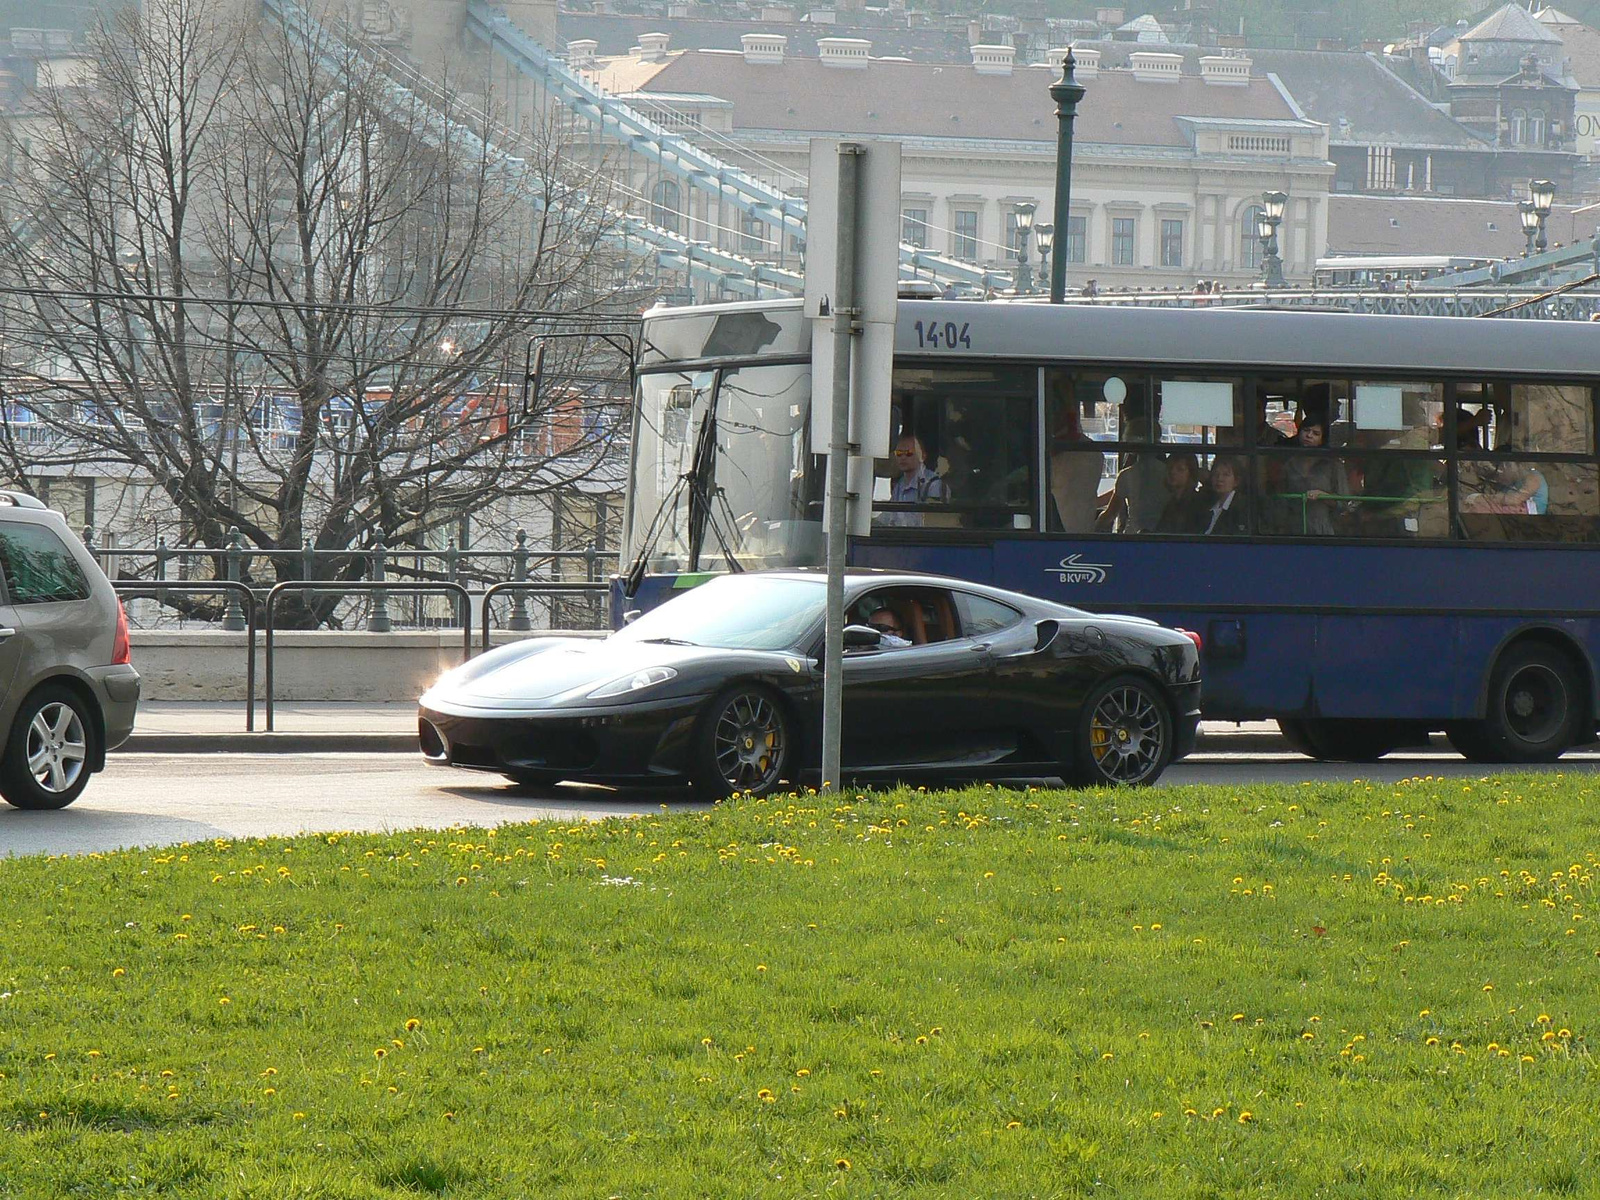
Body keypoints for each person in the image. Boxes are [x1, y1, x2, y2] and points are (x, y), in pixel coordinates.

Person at [1282, 416, 1343, 536]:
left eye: (1315, 433)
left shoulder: (1333, 465)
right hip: (1291, 529)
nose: (1309, 436)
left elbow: (1343, 504)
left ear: (1322, 439)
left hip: (1322, 529)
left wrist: (1323, 496)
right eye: (1306, 430)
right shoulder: (1289, 463)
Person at [876, 432, 948, 528]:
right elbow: (888, 517)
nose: (903, 457)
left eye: (909, 453)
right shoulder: (900, 484)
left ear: (922, 456)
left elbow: (934, 525)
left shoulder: (934, 485)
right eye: (899, 453)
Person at [1155, 451, 1209, 533]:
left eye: (1180, 469)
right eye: (1170, 467)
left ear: (1191, 473)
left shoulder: (1197, 503)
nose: (1173, 472)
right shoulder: (1171, 503)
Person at [1202, 456, 1248, 535]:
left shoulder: (1242, 508)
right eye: (1216, 474)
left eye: (1226, 475)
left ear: (1236, 481)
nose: (1219, 479)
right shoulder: (1206, 505)